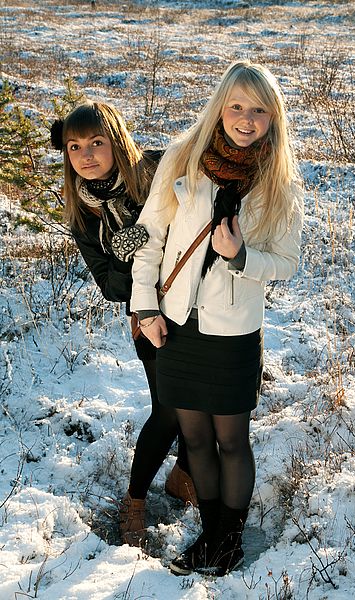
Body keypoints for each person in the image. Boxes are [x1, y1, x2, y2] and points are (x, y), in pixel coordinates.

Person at [131, 61, 304, 576]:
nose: (246, 120)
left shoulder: (280, 182)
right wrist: (144, 306)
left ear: (273, 119)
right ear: (220, 107)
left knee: (231, 441)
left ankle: (226, 544)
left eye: (259, 111)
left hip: (232, 331)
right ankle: (212, 535)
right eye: (236, 107)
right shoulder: (183, 159)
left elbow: (288, 264)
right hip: (177, 323)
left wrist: (242, 256)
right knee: (197, 439)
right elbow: (148, 239)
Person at [50, 100, 197, 548]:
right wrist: (128, 245)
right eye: (75, 147)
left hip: (199, 299)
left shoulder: (155, 170)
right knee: (170, 410)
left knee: (204, 403)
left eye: (97, 142)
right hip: (149, 313)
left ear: (117, 141)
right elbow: (112, 288)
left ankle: (184, 474)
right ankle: (134, 500)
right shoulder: (84, 214)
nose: (87, 155)